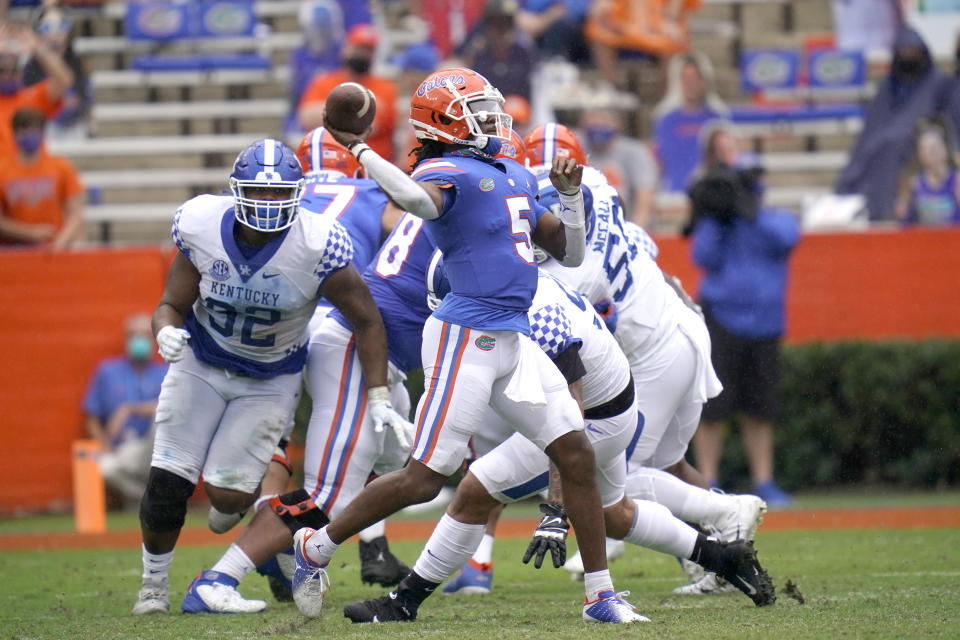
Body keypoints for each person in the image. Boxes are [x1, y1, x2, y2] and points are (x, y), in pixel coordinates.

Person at [292, 66, 645, 625]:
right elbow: (419, 200)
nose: (495, 118)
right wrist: (360, 149)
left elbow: (570, 253)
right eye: (479, 110)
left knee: (574, 451)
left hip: (514, 333)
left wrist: (573, 198)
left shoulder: (510, 168)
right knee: (423, 477)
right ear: (447, 122)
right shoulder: (443, 167)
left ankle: (600, 595)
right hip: (464, 336)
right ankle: (316, 547)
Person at [131, 138, 407, 616]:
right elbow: (171, 304)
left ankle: (240, 523)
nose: (266, 205)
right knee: (168, 480)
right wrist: (165, 332)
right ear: (236, 192)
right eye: (257, 194)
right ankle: (153, 586)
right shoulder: (200, 224)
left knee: (230, 496)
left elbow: (366, 319)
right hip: (201, 361)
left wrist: (379, 391)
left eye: (278, 195)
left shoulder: (318, 242)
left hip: (270, 377)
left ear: (298, 194)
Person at [432, 263, 775, 612]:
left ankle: (408, 596)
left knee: (483, 487)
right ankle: (721, 555)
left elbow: (568, 414)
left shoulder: (539, 307)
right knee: (614, 509)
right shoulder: (535, 276)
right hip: (659, 350)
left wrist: (555, 509)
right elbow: (612, 308)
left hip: (610, 398)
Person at [686, 156, 800, 508]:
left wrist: (750, 211)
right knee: (712, 409)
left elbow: (787, 238)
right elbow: (701, 256)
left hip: (764, 324)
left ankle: (764, 480)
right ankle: (709, 480)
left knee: (760, 410)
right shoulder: (719, 220)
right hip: (722, 319)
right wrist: (720, 217)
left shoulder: (773, 219)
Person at [835, 27, 954, 221]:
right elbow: (874, 124)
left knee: (893, 144)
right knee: (868, 151)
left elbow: (943, 119)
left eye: (913, 51)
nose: (908, 56)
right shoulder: (889, 85)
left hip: (918, 138)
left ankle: (892, 209)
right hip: (880, 143)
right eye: (903, 51)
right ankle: (870, 209)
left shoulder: (939, 83)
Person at [83, 313, 168, 508]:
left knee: (160, 415)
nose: (139, 341)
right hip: (121, 449)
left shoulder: (166, 371)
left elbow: (174, 407)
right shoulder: (107, 371)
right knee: (102, 467)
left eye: (145, 336)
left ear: (154, 340)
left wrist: (129, 410)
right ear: (125, 339)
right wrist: (104, 444)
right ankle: (144, 498)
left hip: (152, 451)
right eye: (133, 335)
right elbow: (91, 416)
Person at [297, 23, 398, 162]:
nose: (362, 54)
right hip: (330, 162)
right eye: (359, 48)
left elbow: (370, 127)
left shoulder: (385, 87)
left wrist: (332, 111)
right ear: (347, 48)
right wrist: (357, 107)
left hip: (372, 168)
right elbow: (306, 117)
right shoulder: (324, 82)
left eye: (368, 50)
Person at [0, 107, 84, 248]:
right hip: (14, 249)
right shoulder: (3, 169)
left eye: (34, 130)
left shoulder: (61, 167)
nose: (29, 135)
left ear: (42, 133)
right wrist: (30, 233)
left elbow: (75, 213)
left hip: (54, 245)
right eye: (24, 130)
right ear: (14, 134)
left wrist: (61, 241)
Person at [652, 51, 728, 192]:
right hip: (673, 195)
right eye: (685, 78)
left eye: (696, 78)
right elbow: (658, 162)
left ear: (705, 81)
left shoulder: (718, 117)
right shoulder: (664, 119)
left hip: (711, 194)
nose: (690, 84)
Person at [584, 0, 702, 89]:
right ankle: (612, 87)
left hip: (658, 21)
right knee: (597, 30)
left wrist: (672, 18)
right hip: (624, 19)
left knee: (673, 40)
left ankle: (667, 96)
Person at [576, 109, 658, 227]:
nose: (598, 125)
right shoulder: (575, 151)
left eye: (604, 120)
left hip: (624, 227)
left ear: (617, 123)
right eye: (593, 120)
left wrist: (631, 234)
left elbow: (645, 199)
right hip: (584, 230)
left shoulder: (634, 152)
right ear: (582, 123)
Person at [0, 20, 72, 152]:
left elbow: (63, 80)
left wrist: (38, 48)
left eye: (13, 70)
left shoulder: (32, 98)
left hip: (31, 169)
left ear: (21, 72)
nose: (7, 75)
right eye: (2, 69)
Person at [23, 7, 86, 136]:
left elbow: (83, 105)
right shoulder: (27, 71)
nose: (54, 33)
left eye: (62, 26)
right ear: (38, 33)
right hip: (38, 134)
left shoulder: (77, 65)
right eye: (46, 27)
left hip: (73, 132)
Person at [458, 0, 537, 102]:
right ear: (487, 27)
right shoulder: (477, 55)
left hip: (519, 113)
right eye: (495, 24)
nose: (501, 30)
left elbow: (536, 96)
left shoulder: (524, 54)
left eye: (506, 23)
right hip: (486, 112)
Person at [896, 117, 960, 226]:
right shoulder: (914, 183)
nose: (928, 153)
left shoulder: (957, 181)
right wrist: (903, 210)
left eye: (933, 148)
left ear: (945, 149)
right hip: (926, 240)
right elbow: (905, 224)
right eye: (923, 149)